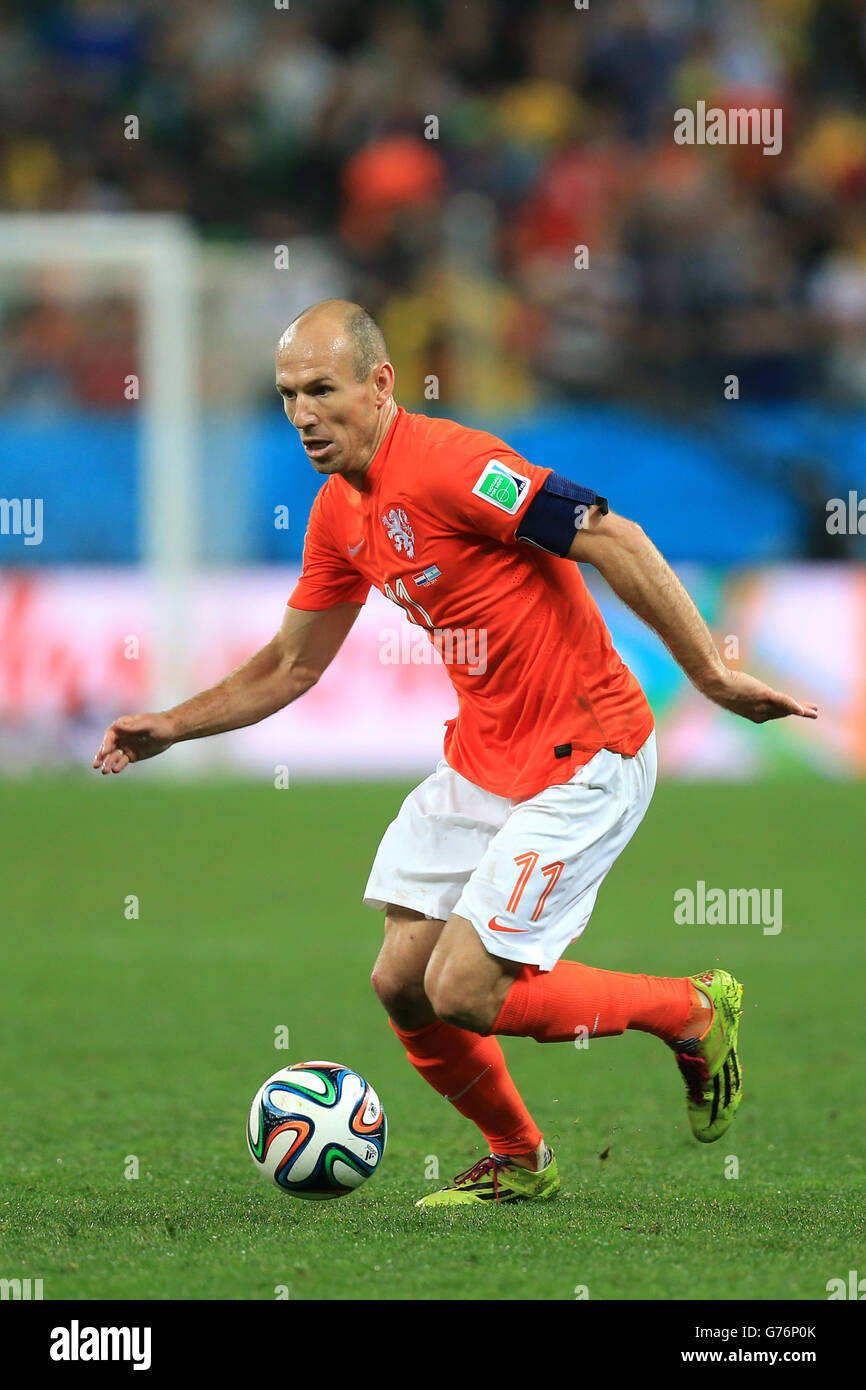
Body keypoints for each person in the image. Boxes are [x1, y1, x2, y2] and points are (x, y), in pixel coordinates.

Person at [93, 299, 818, 1206]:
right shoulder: (338, 513)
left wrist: (711, 674)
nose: (305, 414)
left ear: (380, 384)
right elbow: (289, 664)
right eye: (287, 396)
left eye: (323, 389)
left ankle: (693, 1010)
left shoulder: (455, 466)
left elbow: (611, 535)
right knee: (402, 982)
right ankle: (519, 1158)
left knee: (465, 991)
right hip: (483, 759)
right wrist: (172, 723)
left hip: (585, 753)